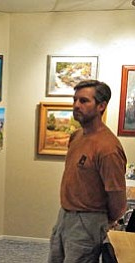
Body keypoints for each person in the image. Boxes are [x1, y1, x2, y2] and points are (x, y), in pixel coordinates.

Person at [48, 80, 127, 263]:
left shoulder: (108, 148)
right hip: (65, 216)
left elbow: (118, 201)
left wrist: (97, 223)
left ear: (101, 106)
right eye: (75, 100)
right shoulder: (76, 136)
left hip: (88, 221)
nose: (76, 105)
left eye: (84, 101)